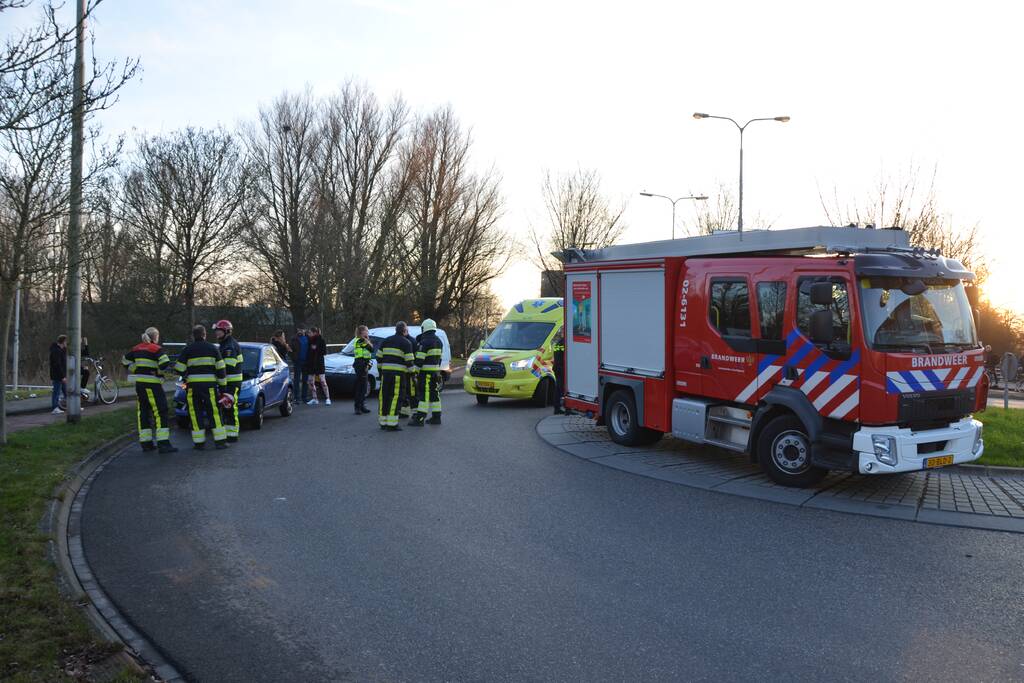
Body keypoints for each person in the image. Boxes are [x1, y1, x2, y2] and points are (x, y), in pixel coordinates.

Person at [121, 327, 177, 453]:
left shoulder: (136, 348)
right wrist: (158, 371)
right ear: (155, 337)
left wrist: (137, 369)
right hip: (153, 385)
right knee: (161, 411)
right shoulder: (156, 349)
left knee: (143, 412)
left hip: (140, 385)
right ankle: (163, 443)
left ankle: (146, 443)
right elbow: (165, 362)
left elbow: (124, 360)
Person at [174, 324, 229, 450]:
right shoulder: (213, 348)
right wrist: (223, 388)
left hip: (193, 387)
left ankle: (199, 443)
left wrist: (187, 374)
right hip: (209, 387)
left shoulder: (187, 349)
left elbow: (178, 368)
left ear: (193, 336)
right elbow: (221, 369)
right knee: (214, 413)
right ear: (204, 335)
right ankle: (220, 442)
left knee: (195, 413)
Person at [377, 321, 413, 431]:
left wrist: (381, 372)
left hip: (385, 374)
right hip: (398, 375)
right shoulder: (407, 343)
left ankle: (383, 422)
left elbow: (378, 358)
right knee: (395, 398)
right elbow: (409, 362)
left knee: (384, 397)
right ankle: (392, 424)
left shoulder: (386, 340)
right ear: (404, 330)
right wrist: (413, 375)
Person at [213, 320, 244, 442]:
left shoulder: (229, 346)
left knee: (231, 407)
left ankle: (233, 435)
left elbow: (228, 366)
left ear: (226, 331)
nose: (217, 334)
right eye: (216, 331)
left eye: (219, 331)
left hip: (232, 383)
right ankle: (229, 433)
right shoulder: (225, 344)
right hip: (227, 383)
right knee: (227, 408)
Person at [409, 319, 443, 426]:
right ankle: (436, 418)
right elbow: (440, 359)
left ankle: (420, 419)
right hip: (436, 373)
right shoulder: (439, 341)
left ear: (424, 328)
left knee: (424, 396)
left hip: (426, 373)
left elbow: (419, 360)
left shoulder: (424, 342)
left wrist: (414, 373)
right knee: (435, 395)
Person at [305, 326, 331, 406]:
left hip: (319, 363)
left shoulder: (321, 340)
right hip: (311, 363)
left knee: (323, 381)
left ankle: (328, 398)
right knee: (310, 381)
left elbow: (324, 352)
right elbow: (308, 352)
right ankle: (314, 398)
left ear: (315, 333)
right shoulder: (309, 340)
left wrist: (316, 348)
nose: (309, 334)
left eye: (310, 332)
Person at [352, 325, 373, 415]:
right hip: (360, 364)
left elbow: (370, 349)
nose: (368, 332)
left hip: (364, 363)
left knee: (364, 387)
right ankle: (357, 407)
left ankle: (362, 406)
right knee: (361, 387)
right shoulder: (360, 340)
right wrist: (368, 341)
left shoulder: (363, 340)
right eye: (366, 331)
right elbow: (371, 348)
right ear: (362, 332)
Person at [399, 325, 419, 420]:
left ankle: (415, 412)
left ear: (406, 331)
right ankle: (404, 412)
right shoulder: (402, 340)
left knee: (412, 393)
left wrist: (414, 372)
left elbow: (415, 357)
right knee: (403, 393)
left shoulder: (412, 341)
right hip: (402, 372)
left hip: (410, 371)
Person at [49, 334, 68, 414]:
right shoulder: (56, 351)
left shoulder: (61, 350)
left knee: (66, 391)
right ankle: (54, 408)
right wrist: (62, 376)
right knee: (56, 391)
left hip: (61, 375)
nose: (67, 344)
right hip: (58, 376)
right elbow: (57, 365)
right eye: (66, 342)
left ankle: (71, 405)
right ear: (63, 342)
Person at [290, 326, 309, 403]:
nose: (300, 331)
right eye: (299, 329)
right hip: (297, 362)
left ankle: (304, 397)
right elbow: (290, 350)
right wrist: (294, 358)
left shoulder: (308, 338)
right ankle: (296, 398)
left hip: (306, 362)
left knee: (305, 380)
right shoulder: (294, 339)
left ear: (305, 330)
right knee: (296, 380)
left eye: (302, 329)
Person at [552, 330, 565, 415]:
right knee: (561, 389)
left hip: (557, 367)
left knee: (559, 388)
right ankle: (558, 408)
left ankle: (557, 407)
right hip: (561, 368)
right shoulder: (564, 343)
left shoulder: (559, 342)